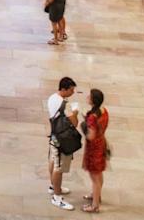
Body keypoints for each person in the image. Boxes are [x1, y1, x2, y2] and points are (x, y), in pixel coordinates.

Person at [47, 76, 80, 211]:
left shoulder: (52, 98)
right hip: (62, 139)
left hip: (54, 135)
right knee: (59, 167)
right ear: (64, 89)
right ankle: (57, 197)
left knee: (52, 160)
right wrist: (76, 112)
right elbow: (74, 123)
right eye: (71, 90)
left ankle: (53, 186)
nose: (73, 92)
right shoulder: (64, 105)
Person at [80, 89, 109, 212]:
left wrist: (83, 127)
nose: (87, 97)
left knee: (95, 177)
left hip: (94, 149)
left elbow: (90, 136)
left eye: (89, 96)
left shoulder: (92, 117)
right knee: (99, 174)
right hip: (102, 143)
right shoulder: (104, 111)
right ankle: (96, 195)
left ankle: (95, 205)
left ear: (92, 101)